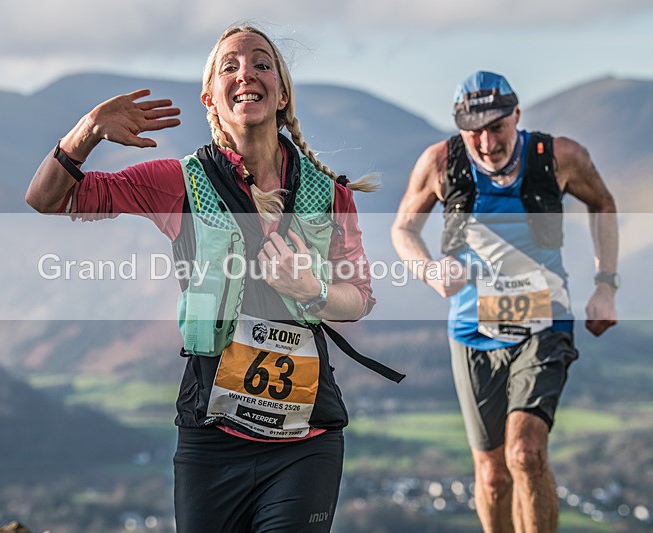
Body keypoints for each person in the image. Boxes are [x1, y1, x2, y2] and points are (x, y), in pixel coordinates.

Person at [26, 25, 402, 533]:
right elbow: (47, 198)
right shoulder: (177, 182)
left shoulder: (329, 193)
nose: (246, 73)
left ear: (282, 92)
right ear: (211, 98)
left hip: (305, 440)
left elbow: (357, 299)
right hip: (211, 438)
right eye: (230, 66)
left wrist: (310, 291)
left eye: (261, 63)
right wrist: (88, 130)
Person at [391, 71, 618, 533]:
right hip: (471, 330)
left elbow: (604, 203)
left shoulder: (559, 156)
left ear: (517, 115)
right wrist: (430, 269)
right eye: (473, 130)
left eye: (497, 127)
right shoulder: (440, 163)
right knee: (493, 476)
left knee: (525, 453)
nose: (486, 142)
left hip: (544, 323)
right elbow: (403, 229)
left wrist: (605, 285)